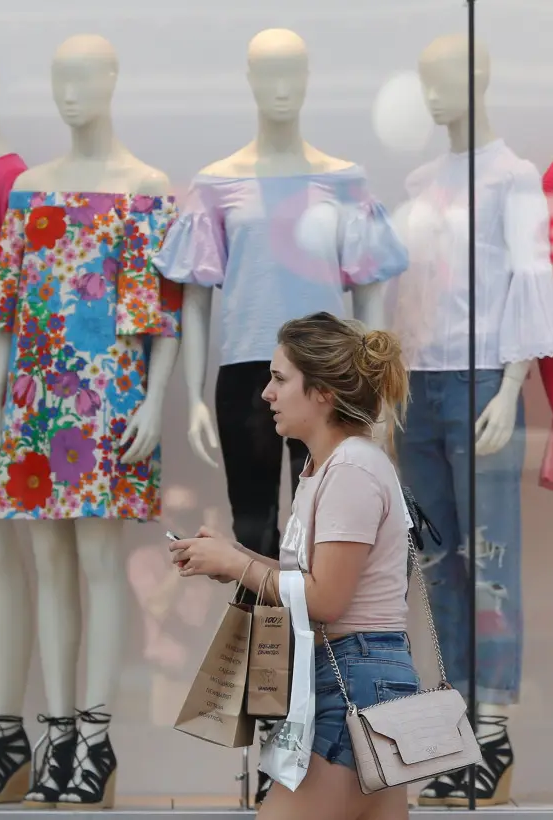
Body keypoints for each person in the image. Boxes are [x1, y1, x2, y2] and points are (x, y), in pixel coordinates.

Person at [170, 311, 416, 820]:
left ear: (323, 392)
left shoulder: (349, 470)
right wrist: (235, 557)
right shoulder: (330, 468)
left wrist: (239, 567)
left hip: (353, 680)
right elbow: (314, 580)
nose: (266, 393)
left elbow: (326, 598)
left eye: (280, 379)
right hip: (356, 677)